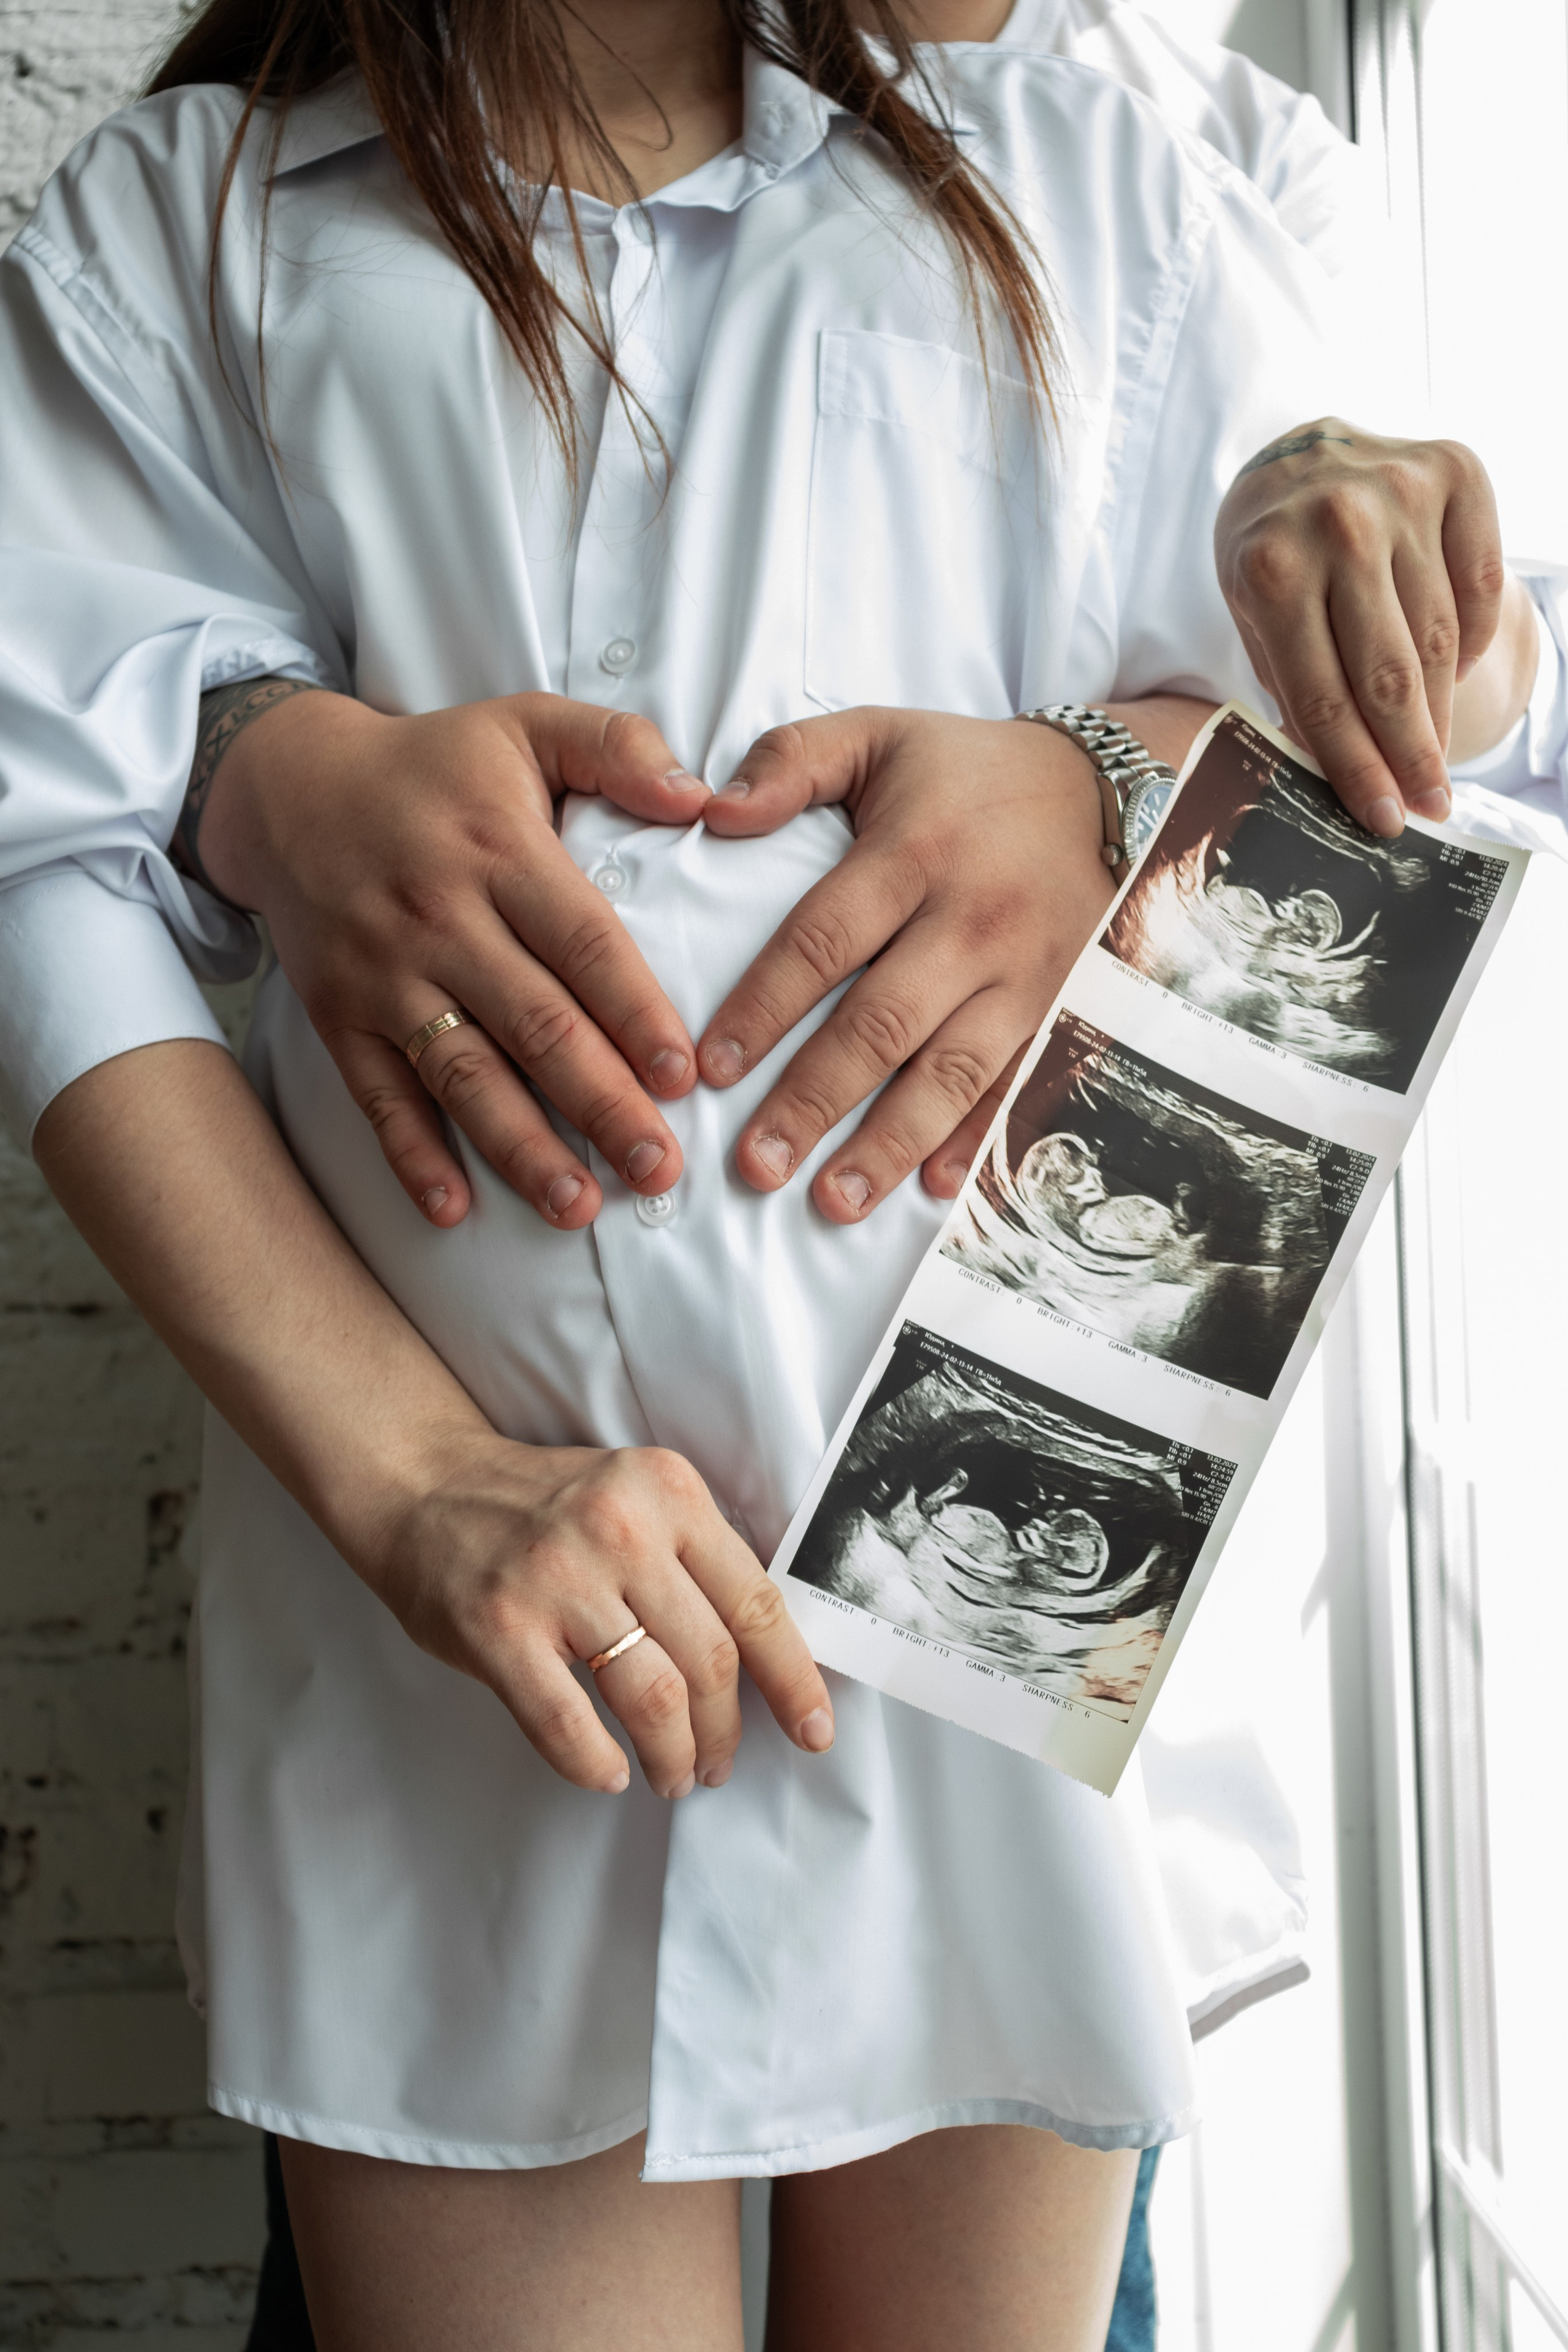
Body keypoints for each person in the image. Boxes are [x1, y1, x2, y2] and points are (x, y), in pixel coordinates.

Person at [0, 1, 1550, 2346]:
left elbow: (1424, 762)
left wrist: (1171, 738)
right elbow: (46, 846)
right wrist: (419, 1480)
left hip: (1015, 1590)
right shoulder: (193, 224)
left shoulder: (1141, 175)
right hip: (469, 1643)